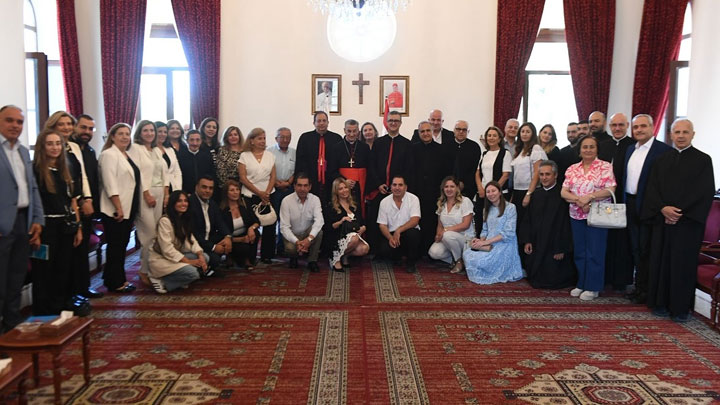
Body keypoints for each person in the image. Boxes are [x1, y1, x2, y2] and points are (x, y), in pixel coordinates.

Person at [642, 118, 715, 322]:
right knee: (661, 262)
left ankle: (681, 309)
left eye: (685, 132)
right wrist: (663, 209)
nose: (681, 136)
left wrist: (678, 213)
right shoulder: (661, 160)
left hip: (687, 224)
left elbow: (704, 192)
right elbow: (652, 189)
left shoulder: (703, 160)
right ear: (671, 135)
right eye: (677, 132)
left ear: (693, 134)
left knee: (682, 265)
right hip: (662, 221)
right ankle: (660, 303)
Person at [31, 130, 84, 315]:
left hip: (66, 226)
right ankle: (43, 311)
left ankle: (59, 307)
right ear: (42, 147)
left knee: (63, 269)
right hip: (45, 227)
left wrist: (78, 227)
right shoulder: (35, 171)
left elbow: (73, 201)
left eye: (57, 143)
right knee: (44, 271)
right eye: (49, 144)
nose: (54, 147)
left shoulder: (66, 169)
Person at [0, 106, 44, 331]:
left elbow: (32, 187)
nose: (15, 126)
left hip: (22, 222)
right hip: (2, 224)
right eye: (10, 120)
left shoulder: (23, 151)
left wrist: (37, 219)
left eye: (19, 122)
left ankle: (11, 322)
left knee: (16, 276)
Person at [43, 111, 95, 304]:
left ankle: (75, 292)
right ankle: (62, 299)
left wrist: (86, 198)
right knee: (63, 258)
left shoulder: (73, 147)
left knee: (75, 252)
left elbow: (81, 176)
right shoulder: (48, 151)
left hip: (76, 204)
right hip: (56, 211)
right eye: (61, 124)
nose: (66, 128)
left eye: (68, 124)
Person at [561, 136, 617, 301]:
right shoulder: (572, 168)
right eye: (585, 147)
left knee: (595, 251)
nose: (588, 150)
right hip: (576, 214)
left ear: (597, 149)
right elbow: (563, 192)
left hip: (598, 214)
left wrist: (590, 198)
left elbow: (611, 189)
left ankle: (593, 287)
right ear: (579, 150)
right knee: (580, 251)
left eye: (592, 146)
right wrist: (579, 200)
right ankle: (582, 283)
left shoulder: (605, 166)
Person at [623, 114, 671, 304]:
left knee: (647, 250)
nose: (639, 130)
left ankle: (649, 291)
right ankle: (639, 287)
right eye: (636, 127)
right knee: (635, 248)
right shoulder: (630, 149)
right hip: (630, 204)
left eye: (643, 126)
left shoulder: (663, 151)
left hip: (650, 207)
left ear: (652, 127)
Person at [98, 122, 140, 293]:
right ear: (113, 137)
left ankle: (112, 278)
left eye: (127, 134)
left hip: (127, 206)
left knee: (121, 245)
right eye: (120, 134)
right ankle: (116, 282)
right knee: (116, 247)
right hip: (115, 209)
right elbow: (110, 183)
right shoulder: (109, 154)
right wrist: (118, 207)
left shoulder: (125, 155)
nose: (124, 137)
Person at [520, 160, 575, 289]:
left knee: (553, 277)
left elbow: (565, 225)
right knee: (534, 276)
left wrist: (561, 248)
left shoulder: (562, 196)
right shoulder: (536, 195)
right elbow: (528, 220)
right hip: (537, 243)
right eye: (541, 174)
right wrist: (527, 241)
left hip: (555, 246)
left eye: (547, 174)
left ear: (555, 175)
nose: (544, 178)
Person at [127, 120, 169, 280]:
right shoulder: (135, 148)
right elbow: (136, 173)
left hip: (160, 193)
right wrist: (146, 194)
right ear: (139, 132)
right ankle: (143, 271)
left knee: (157, 234)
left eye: (152, 130)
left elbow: (165, 173)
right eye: (145, 130)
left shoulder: (156, 150)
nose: (149, 133)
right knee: (148, 234)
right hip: (144, 194)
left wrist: (166, 194)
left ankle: (153, 268)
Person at [367, 111, 414, 249]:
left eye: (396, 121)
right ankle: (375, 249)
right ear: (386, 123)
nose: (393, 123)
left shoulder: (407, 144)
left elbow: (409, 167)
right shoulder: (378, 143)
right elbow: (372, 165)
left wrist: (398, 187)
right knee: (376, 219)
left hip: (398, 190)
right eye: (391, 120)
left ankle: (399, 248)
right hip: (380, 189)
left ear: (400, 123)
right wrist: (378, 184)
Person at [598, 113, 635, 291]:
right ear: (609, 126)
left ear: (627, 125)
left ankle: (621, 280)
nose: (617, 128)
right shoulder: (603, 145)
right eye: (614, 125)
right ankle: (604, 277)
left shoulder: (633, 146)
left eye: (621, 125)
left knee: (622, 243)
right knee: (605, 241)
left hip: (624, 201)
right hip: (603, 200)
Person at [463, 181, 523, 284]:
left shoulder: (510, 208)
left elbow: (508, 233)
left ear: (500, 192)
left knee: (482, 261)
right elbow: (485, 230)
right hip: (489, 244)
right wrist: (480, 242)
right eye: (488, 192)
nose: (491, 194)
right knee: (467, 254)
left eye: (493, 191)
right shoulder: (486, 209)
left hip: (504, 245)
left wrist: (486, 242)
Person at [71, 114, 103, 299]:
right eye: (83, 127)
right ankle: (74, 291)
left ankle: (83, 288)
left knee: (82, 251)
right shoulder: (70, 149)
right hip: (75, 207)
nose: (87, 132)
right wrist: (82, 201)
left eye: (91, 129)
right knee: (74, 252)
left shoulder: (90, 151)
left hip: (89, 208)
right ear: (76, 127)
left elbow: (92, 180)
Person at [147, 191, 205, 294]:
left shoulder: (183, 218)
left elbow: (191, 240)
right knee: (193, 274)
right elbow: (167, 249)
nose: (183, 204)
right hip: (161, 258)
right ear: (173, 203)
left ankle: (180, 278)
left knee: (205, 258)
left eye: (185, 201)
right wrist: (188, 261)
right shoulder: (165, 221)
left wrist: (200, 256)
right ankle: (162, 280)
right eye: (179, 201)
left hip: (175, 256)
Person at [238, 127, 277, 264]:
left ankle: (267, 255)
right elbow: (243, 178)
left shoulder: (270, 155)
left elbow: (273, 176)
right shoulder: (244, 156)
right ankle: (251, 256)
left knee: (269, 224)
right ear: (252, 140)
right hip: (250, 195)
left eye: (264, 138)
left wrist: (266, 193)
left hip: (268, 194)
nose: (263, 141)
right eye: (259, 138)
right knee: (252, 225)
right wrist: (259, 193)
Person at [510, 122, 547, 255]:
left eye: (528, 132)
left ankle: (529, 257)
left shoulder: (536, 149)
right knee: (518, 224)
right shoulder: (519, 150)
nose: (524, 134)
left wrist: (529, 193)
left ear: (533, 134)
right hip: (517, 192)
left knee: (528, 225)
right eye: (522, 131)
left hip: (530, 191)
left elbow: (537, 173)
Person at [410, 121, 448, 251]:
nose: (425, 133)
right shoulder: (412, 149)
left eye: (428, 131)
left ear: (432, 131)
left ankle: (430, 249)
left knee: (432, 220)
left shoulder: (441, 149)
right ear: (418, 133)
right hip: (417, 192)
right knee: (417, 220)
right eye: (422, 131)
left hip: (435, 192)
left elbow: (445, 172)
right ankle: (417, 250)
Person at [377, 175, 422, 273]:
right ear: (391, 187)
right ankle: (397, 257)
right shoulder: (384, 202)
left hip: (408, 232)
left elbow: (415, 220)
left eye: (400, 185)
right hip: (392, 235)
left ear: (406, 187)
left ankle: (411, 263)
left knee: (413, 234)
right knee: (383, 249)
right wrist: (390, 238)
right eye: (394, 185)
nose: (397, 188)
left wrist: (399, 231)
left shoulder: (413, 199)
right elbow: (382, 225)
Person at [429, 176, 474, 273]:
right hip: (447, 238)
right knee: (433, 252)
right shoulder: (442, 203)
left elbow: (466, 224)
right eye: (446, 187)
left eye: (452, 186)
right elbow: (440, 224)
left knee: (447, 235)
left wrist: (445, 230)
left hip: (465, 238)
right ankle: (458, 260)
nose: (449, 189)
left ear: (457, 188)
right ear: (443, 189)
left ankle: (458, 261)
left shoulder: (465, 201)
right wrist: (438, 235)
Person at [279, 174, 324, 272]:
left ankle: (312, 260)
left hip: (307, 233)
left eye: (305, 185)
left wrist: (309, 239)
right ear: (294, 186)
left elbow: (319, 221)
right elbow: (284, 227)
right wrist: (297, 242)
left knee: (319, 232)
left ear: (310, 187)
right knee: (290, 248)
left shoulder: (315, 199)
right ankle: (293, 257)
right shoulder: (286, 201)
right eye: (299, 185)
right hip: (293, 235)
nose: (302, 189)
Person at [188, 176, 232, 273]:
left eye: (210, 188)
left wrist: (227, 237)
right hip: (195, 244)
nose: (207, 191)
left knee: (227, 239)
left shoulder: (212, 203)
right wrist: (213, 247)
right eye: (204, 187)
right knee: (215, 259)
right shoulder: (190, 204)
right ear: (196, 187)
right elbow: (194, 234)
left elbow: (220, 222)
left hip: (208, 239)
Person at [295, 111, 342, 202]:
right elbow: (300, 161)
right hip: (311, 180)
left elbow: (339, 161)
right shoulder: (305, 138)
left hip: (331, 180)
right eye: (319, 121)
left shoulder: (336, 138)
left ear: (328, 122)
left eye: (324, 121)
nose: (321, 123)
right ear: (314, 123)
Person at [326, 177, 369, 272]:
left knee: (364, 249)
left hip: (353, 236)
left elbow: (362, 221)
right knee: (354, 238)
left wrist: (363, 227)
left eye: (345, 187)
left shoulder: (354, 204)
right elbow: (329, 227)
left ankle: (345, 255)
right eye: (340, 189)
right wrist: (341, 221)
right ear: (336, 192)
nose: (344, 190)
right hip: (337, 237)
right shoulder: (332, 206)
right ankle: (334, 257)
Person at [327, 119, 371, 212]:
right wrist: (345, 181)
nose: (352, 134)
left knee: (360, 208)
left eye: (354, 131)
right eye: (349, 131)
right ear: (344, 130)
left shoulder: (365, 147)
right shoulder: (336, 148)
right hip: (342, 185)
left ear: (358, 131)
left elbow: (370, 168)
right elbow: (332, 170)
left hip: (360, 185)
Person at [220, 180, 260, 270]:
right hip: (231, 239)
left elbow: (257, 221)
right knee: (241, 248)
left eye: (237, 189)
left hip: (246, 235)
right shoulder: (222, 210)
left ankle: (248, 259)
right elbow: (222, 233)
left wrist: (251, 228)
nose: (235, 192)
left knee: (256, 233)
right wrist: (240, 239)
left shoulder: (245, 204)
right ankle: (230, 256)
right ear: (226, 193)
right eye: (232, 190)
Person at [268, 127, 296, 253]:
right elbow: (266, 170)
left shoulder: (294, 152)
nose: (285, 140)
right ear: (276, 138)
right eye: (282, 137)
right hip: (273, 189)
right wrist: (275, 182)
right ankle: (270, 250)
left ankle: (283, 247)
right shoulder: (269, 152)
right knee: (273, 218)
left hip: (289, 189)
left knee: (287, 219)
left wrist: (289, 182)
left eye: (288, 137)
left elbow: (297, 170)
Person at [446, 120, 482, 199]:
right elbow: (443, 167)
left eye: (464, 130)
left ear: (468, 131)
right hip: (448, 187)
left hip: (468, 188)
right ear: (454, 130)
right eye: (458, 129)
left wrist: (463, 183)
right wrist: (452, 183)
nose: (461, 132)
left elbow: (475, 169)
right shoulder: (446, 145)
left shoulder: (474, 147)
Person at [178, 130, 214, 194]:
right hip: (186, 192)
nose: (195, 143)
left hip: (204, 191)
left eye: (198, 140)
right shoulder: (180, 156)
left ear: (201, 141)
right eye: (192, 140)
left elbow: (211, 173)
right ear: (187, 141)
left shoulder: (207, 156)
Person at [156, 121, 183, 193]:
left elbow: (177, 171)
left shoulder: (170, 149)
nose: (163, 134)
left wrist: (178, 190)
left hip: (173, 187)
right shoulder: (151, 150)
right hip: (158, 188)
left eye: (165, 132)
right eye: (160, 131)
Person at [215, 126, 244, 193]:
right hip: (227, 187)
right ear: (226, 137)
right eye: (230, 135)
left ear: (239, 136)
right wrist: (230, 186)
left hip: (244, 186)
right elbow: (221, 170)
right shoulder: (222, 150)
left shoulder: (245, 151)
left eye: (235, 134)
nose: (233, 137)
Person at [556, 122, 581, 186]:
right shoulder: (562, 151)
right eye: (568, 132)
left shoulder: (582, 151)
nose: (570, 135)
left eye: (573, 132)